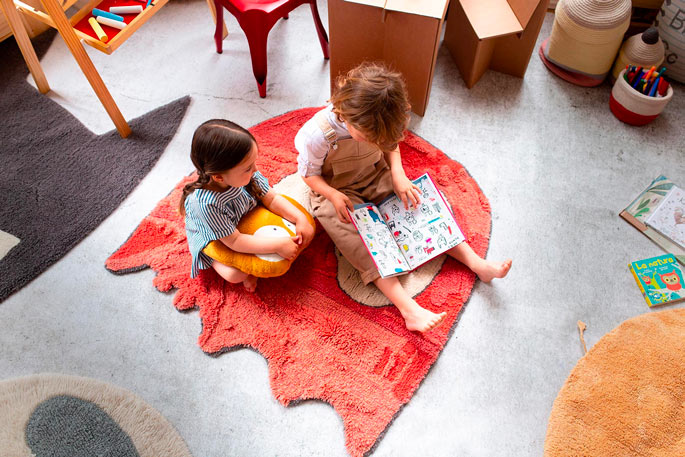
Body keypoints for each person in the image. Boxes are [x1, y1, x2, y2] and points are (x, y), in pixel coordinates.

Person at [295, 63, 512, 333]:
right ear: (347, 117)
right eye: (369, 138)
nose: (377, 143)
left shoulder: (379, 123)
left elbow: (391, 147)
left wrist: (398, 174)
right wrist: (332, 195)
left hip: (375, 174)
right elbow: (308, 174)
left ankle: (475, 262)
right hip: (335, 189)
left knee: (419, 205)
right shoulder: (316, 135)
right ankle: (409, 309)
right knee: (360, 238)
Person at [180, 119, 315, 292]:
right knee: (235, 275)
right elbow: (235, 241)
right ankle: (212, 259)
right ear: (219, 177)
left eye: (253, 163)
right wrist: (277, 246)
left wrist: (299, 218)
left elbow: (271, 199)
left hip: (240, 220)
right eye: (247, 168)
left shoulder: (246, 174)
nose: (255, 170)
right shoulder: (206, 205)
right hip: (218, 235)